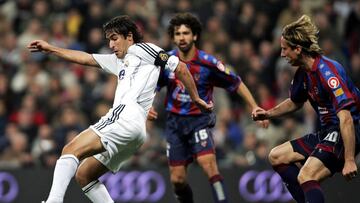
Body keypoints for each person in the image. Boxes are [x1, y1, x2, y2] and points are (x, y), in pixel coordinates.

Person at [27, 15, 212, 203]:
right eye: (108, 40)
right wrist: (51, 49)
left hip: (124, 117)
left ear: (129, 37)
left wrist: (195, 98)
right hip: (136, 132)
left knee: (70, 149)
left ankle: (53, 201)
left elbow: (180, 68)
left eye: (114, 38)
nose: (111, 44)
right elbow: (86, 58)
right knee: (84, 175)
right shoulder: (119, 62)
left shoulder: (141, 49)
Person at [148, 13, 267, 203]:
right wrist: (147, 106)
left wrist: (254, 106)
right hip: (174, 124)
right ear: (173, 37)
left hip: (198, 121)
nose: (182, 37)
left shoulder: (208, 63)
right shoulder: (167, 61)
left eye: (186, 33)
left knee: (208, 165)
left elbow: (236, 83)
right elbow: (152, 85)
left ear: (195, 36)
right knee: (177, 180)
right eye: (178, 33)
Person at [252, 15, 360, 203]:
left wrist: (349, 159)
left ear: (298, 49)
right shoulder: (303, 73)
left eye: (285, 49)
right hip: (328, 132)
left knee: (306, 176)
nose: (282, 54)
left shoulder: (328, 73)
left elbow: (347, 118)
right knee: (277, 156)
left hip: (347, 132)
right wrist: (268, 113)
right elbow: (295, 102)